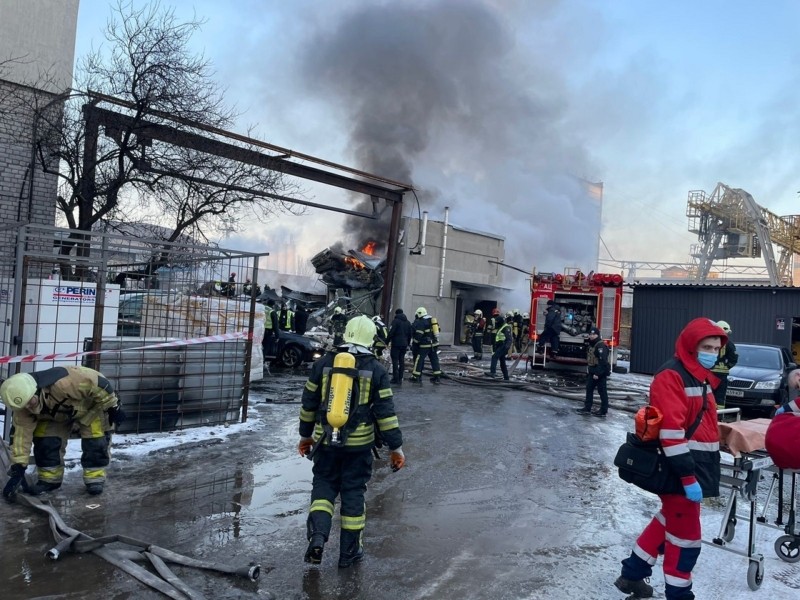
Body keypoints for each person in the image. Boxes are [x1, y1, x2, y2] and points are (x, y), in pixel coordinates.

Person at [615, 317, 726, 600]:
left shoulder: (698, 375)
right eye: (708, 347)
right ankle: (679, 595)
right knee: (686, 541)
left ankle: (632, 574)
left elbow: (702, 423)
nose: (713, 353)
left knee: (667, 522)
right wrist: (688, 478)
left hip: (694, 468)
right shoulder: (673, 376)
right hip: (680, 470)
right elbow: (672, 434)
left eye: (716, 348)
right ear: (691, 346)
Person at [298, 315, 404, 568]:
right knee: (353, 493)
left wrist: (305, 436)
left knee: (323, 489)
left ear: (345, 334)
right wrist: (396, 449)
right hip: (359, 447)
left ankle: (318, 538)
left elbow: (309, 403)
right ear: (370, 338)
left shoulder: (323, 363)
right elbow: (386, 415)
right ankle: (349, 553)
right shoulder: (376, 369)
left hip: (325, 443)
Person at [1, 366, 124, 499]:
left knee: (95, 440)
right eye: (24, 406)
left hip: (90, 408)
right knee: (46, 442)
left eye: (31, 402)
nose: (29, 408)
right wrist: (18, 467)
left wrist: (113, 407)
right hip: (55, 416)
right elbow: (20, 437)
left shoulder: (65, 383)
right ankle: (50, 479)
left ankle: (95, 479)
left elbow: (98, 384)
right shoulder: (23, 409)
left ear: (35, 391)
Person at [576, 327, 611, 417]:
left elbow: (603, 361)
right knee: (589, 389)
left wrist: (597, 373)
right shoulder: (592, 344)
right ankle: (587, 408)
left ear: (597, 335)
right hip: (592, 371)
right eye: (590, 334)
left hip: (599, 372)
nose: (591, 336)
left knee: (602, 391)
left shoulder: (600, 346)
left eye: (593, 334)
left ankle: (603, 411)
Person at [410, 307, 443, 384]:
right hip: (434, 344)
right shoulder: (432, 320)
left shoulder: (422, 322)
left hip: (424, 345)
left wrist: (415, 342)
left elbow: (419, 334)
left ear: (419, 314)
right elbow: (439, 329)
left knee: (419, 360)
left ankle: (416, 376)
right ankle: (437, 377)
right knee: (434, 360)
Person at [710, 320, 738, 408]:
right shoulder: (729, 344)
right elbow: (734, 359)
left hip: (710, 374)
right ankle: (719, 417)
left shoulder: (709, 342)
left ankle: (711, 416)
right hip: (720, 375)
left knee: (709, 395)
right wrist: (726, 366)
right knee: (719, 397)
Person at [388, 308, 413, 384]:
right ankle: (400, 377)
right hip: (404, 344)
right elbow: (410, 335)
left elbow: (391, 332)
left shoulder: (395, 321)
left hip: (396, 344)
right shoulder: (408, 323)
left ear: (396, 314)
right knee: (401, 360)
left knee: (395, 361)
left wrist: (387, 341)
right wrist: (408, 343)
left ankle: (395, 378)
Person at [488, 314, 513, 380]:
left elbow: (509, 339)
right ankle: (506, 377)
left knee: (494, 357)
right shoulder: (501, 326)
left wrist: (506, 347)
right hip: (500, 346)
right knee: (502, 362)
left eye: (497, 322)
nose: (496, 324)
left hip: (503, 346)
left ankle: (492, 372)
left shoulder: (506, 327)